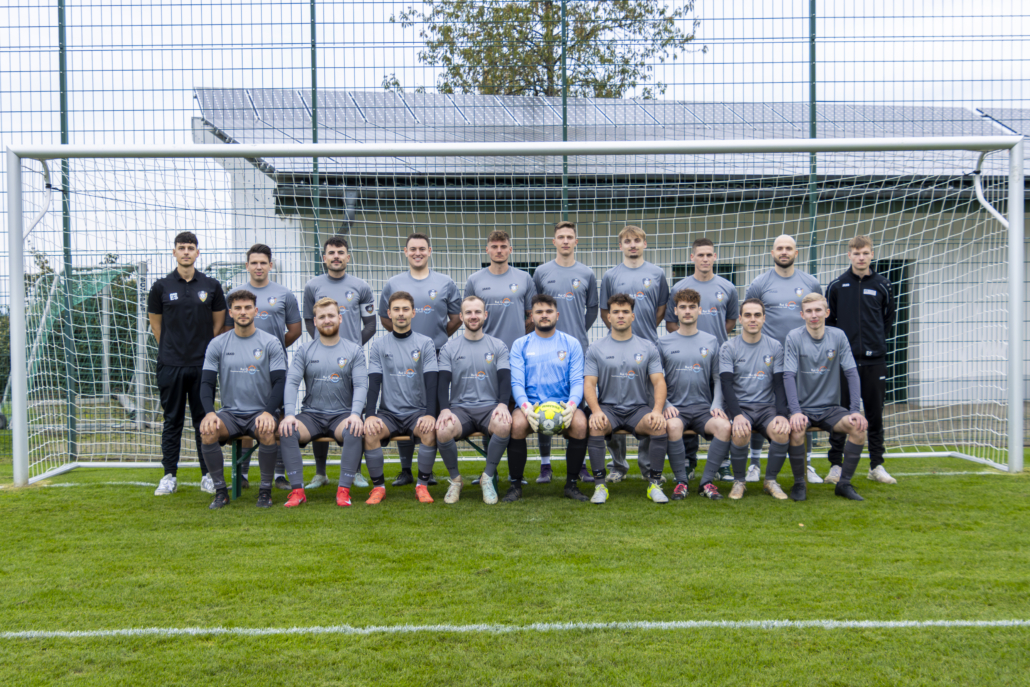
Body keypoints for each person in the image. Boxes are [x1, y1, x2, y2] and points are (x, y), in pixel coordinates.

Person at [378, 233, 461, 486]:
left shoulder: (445, 282)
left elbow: (456, 318)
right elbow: (384, 317)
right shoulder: (393, 283)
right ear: (405, 252)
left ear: (429, 251)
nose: (417, 253)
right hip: (402, 355)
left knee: (428, 409)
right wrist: (404, 339)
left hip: (435, 354)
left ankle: (428, 469)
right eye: (412, 249)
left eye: (422, 249)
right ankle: (406, 469)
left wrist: (435, 338)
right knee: (403, 404)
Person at [148, 231, 226, 497]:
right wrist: (173, 350)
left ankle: (208, 475)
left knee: (204, 421)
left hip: (203, 366)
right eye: (181, 248)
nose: (186, 252)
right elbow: (156, 327)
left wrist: (202, 350)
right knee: (172, 421)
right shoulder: (161, 286)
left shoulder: (211, 285)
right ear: (174, 252)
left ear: (197, 253)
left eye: (190, 248)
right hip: (170, 365)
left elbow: (218, 324)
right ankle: (169, 475)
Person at [197, 290, 289, 509]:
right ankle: (221, 492)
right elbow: (206, 383)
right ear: (230, 313)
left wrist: (268, 412)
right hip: (230, 414)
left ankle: (265, 492)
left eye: (248, 307)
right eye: (237, 308)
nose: (243, 312)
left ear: (256, 311)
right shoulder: (217, 344)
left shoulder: (271, 342)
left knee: (267, 430)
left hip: (261, 412)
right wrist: (210, 413)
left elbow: (280, 382)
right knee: (207, 431)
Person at [745, 234, 824, 484]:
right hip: (767, 356)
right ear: (772, 252)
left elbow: (817, 314)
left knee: (802, 406)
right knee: (761, 404)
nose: (784, 252)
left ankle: (807, 464)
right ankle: (754, 463)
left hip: (801, 356)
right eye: (779, 248)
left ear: (796, 253)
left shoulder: (810, 282)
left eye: (789, 248)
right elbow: (750, 314)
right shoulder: (760, 283)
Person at [279, 297, 370, 508]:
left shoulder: (354, 350)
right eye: (321, 317)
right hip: (311, 415)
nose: (327, 320)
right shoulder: (304, 350)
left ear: (340, 318)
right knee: (287, 430)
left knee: (354, 429)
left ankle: (343, 491)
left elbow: (361, 385)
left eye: (331, 315)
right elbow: (291, 383)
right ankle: (297, 492)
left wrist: (355, 414)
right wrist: (290, 415)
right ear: (315, 321)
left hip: (342, 415)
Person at [225, 244, 302, 490]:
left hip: (274, 370)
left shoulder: (285, 294)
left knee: (277, 418)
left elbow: (295, 330)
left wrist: (271, 352)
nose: (258, 267)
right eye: (254, 263)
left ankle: (279, 475)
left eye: (263, 263)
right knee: (245, 415)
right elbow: (227, 331)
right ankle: (243, 474)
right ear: (247, 266)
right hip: (243, 370)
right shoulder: (235, 294)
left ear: (270, 265)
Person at [302, 236, 376, 490]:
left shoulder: (361, 286)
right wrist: (322, 345)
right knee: (317, 410)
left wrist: (351, 349)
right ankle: (320, 473)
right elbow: (309, 320)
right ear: (324, 258)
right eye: (331, 253)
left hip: (351, 362)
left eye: (340, 252)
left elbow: (371, 325)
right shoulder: (312, 286)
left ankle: (355, 472)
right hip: (320, 363)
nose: (336, 256)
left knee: (355, 412)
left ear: (348, 257)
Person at [463, 230, 535, 488]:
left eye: (503, 246)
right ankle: (489, 472)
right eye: (494, 246)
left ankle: (517, 473)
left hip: (516, 357)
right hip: (484, 359)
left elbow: (531, 315)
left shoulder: (524, 278)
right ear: (487, 250)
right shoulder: (474, 280)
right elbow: (469, 313)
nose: (499, 250)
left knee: (514, 412)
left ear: (510, 249)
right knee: (488, 410)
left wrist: (517, 339)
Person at [598, 225, 669, 483]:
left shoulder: (657, 273)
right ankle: (618, 466)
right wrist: (620, 335)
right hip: (616, 349)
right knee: (614, 403)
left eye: (637, 240)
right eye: (627, 241)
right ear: (621, 246)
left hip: (647, 348)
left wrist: (643, 333)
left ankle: (647, 467)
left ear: (644, 244)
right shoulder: (610, 275)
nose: (632, 245)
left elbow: (661, 309)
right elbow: (605, 312)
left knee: (648, 407)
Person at [664, 238, 739, 482]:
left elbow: (730, 321)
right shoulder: (679, 287)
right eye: (700, 254)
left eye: (709, 254)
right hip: (686, 358)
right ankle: (688, 461)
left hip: (714, 357)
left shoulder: (728, 287)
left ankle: (723, 463)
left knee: (719, 408)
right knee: (685, 404)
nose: (705, 259)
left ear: (715, 257)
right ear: (692, 257)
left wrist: (709, 342)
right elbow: (671, 323)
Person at [825, 235, 897, 485]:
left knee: (875, 414)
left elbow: (887, 319)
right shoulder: (837, 286)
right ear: (849, 255)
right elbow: (830, 323)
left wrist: (874, 344)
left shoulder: (883, 285)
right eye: (856, 253)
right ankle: (836, 465)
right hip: (844, 363)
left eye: (865, 253)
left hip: (874, 362)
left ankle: (876, 465)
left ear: (872, 254)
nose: (861, 257)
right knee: (840, 414)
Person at [584, 293, 669, 504]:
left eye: (625, 312)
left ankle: (654, 485)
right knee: (595, 425)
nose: (620, 316)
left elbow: (659, 382)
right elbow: (589, 384)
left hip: (638, 410)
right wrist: (596, 411)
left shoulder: (647, 347)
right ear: (608, 317)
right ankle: (600, 486)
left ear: (633, 316)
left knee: (659, 425)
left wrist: (657, 411)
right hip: (608, 409)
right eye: (615, 312)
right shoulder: (596, 348)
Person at [784, 293, 869, 501]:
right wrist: (795, 411)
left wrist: (855, 410)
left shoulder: (838, 336)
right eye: (809, 311)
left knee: (858, 428)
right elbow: (788, 375)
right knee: (796, 428)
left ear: (827, 312)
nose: (814, 315)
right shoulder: (794, 337)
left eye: (818, 310)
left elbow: (851, 373)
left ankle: (844, 483)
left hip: (831, 409)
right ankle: (799, 484)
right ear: (802, 315)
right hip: (803, 407)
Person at [532, 220, 599, 484]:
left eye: (570, 237)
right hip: (545, 347)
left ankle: (579, 464)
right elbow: (536, 307)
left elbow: (592, 309)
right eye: (561, 237)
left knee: (575, 404)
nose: (566, 241)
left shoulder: (587, 273)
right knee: (544, 402)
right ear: (554, 241)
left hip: (576, 348)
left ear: (576, 241)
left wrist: (577, 331)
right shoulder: (541, 272)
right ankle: (545, 464)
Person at [509, 295, 590, 502]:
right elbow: (517, 382)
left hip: (563, 405)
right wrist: (525, 407)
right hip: (531, 406)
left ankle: (571, 484)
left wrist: (572, 406)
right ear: (531, 316)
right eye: (539, 312)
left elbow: (577, 381)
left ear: (557, 315)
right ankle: (515, 485)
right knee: (516, 424)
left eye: (548, 311)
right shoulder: (520, 344)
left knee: (581, 424)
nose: (544, 315)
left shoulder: (571, 343)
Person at [713, 299, 794, 501]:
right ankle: (739, 481)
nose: (752, 319)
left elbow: (779, 384)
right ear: (740, 319)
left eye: (757, 315)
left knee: (782, 431)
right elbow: (726, 384)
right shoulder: (728, 347)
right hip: (740, 406)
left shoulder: (775, 346)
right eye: (748, 315)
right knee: (741, 431)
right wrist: (737, 415)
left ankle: (770, 481)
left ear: (764, 318)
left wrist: (782, 414)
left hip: (767, 407)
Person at [364, 291, 441, 504]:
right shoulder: (379, 345)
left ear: (413, 313)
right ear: (388, 313)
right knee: (370, 432)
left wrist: (430, 414)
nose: (401, 313)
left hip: (417, 412)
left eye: (405, 309)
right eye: (396, 309)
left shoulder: (425, 343)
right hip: (388, 413)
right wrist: (370, 415)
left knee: (429, 431)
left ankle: (422, 486)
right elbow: (374, 383)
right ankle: (378, 488)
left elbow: (432, 382)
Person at [435, 296, 513, 504]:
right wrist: (444, 409)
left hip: (489, 408)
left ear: (485, 315)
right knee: (442, 429)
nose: (473, 316)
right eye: (468, 312)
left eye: (478, 312)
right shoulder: (449, 348)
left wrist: (503, 404)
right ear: (461, 317)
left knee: (504, 424)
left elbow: (505, 379)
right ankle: (456, 480)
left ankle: (487, 477)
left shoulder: (498, 346)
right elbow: (442, 383)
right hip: (460, 410)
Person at [658, 288, 733, 501]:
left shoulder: (711, 341)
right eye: (683, 307)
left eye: (692, 307)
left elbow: (718, 377)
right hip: (676, 409)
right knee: (673, 426)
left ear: (700, 310)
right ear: (675, 311)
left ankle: (706, 482)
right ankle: (681, 482)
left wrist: (716, 404)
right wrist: (666, 404)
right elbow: (656, 380)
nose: (687, 311)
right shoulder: (663, 342)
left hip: (703, 408)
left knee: (724, 427)